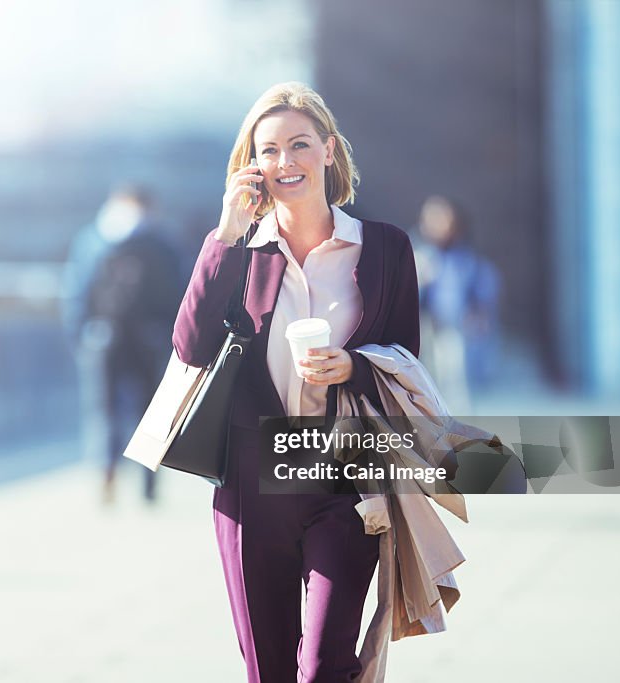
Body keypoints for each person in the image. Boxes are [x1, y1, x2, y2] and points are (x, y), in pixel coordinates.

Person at [173, 82, 420, 682]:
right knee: (270, 670)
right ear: (252, 167)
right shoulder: (242, 254)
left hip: (345, 481)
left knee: (325, 667)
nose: (286, 162)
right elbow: (189, 346)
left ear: (329, 151)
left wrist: (353, 366)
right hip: (252, 490)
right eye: (269, 150)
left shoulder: (384, 248)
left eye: (300, 144)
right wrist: (225, 236)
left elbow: (405, 354)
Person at [64, 186, 183, 504]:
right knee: (152, 414)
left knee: (103, 410)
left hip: (103, 336)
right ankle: (148, 484)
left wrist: (80, 334)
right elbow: (181, 293)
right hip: (150, 338)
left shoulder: (93, 238)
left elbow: (77, 289)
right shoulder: (162, 243)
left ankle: (106, 474)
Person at [414, 196, 501, 412]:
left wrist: (479, 312)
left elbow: (483, 289)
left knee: (454, 382)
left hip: (454, 330)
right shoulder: (418, 254)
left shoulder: (465, 260)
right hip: (424, 330)